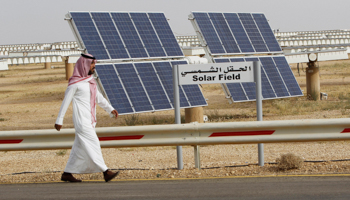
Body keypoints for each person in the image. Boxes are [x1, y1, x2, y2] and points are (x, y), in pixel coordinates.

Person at [55, 53, 119, 182]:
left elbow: (98, 98)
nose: (94, 66)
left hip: (90, 120)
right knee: (94, 143)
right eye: (92, 64)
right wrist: (59, 120)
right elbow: (65, 102)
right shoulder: (75, 83)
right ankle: (106, 172)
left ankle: (67, 173)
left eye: (94, 63)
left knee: (79, 148)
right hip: (81, 121)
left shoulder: (90, 81)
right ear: (84, 65)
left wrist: (110, 109)